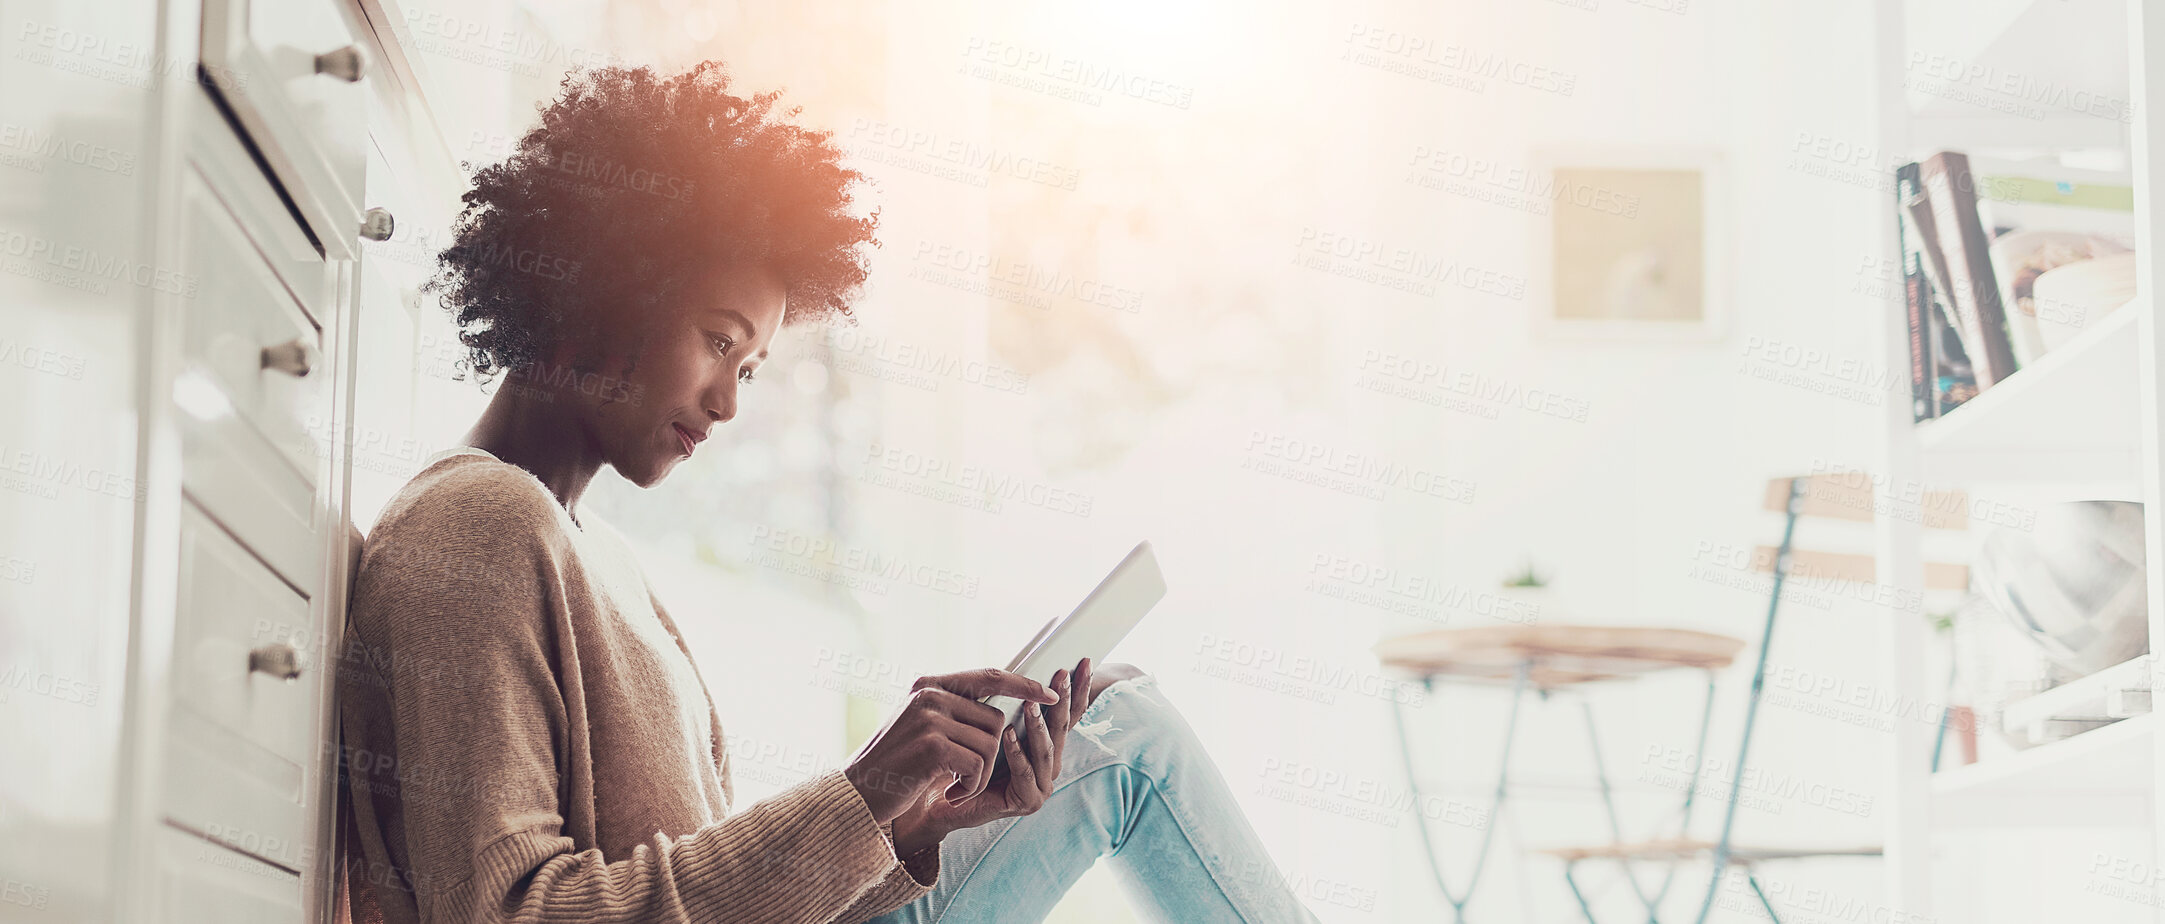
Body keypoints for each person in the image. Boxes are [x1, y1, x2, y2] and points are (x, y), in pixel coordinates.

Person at [336, 61, 1321, 924]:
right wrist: (860, 791)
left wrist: (914, 818)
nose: (725, 402)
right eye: (718, 341)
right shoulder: (475, 526)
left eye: (753, 366)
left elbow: (708, 885)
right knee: (1126, 738)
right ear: (603, 288)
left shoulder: (584, 551)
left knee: (1106, 710)